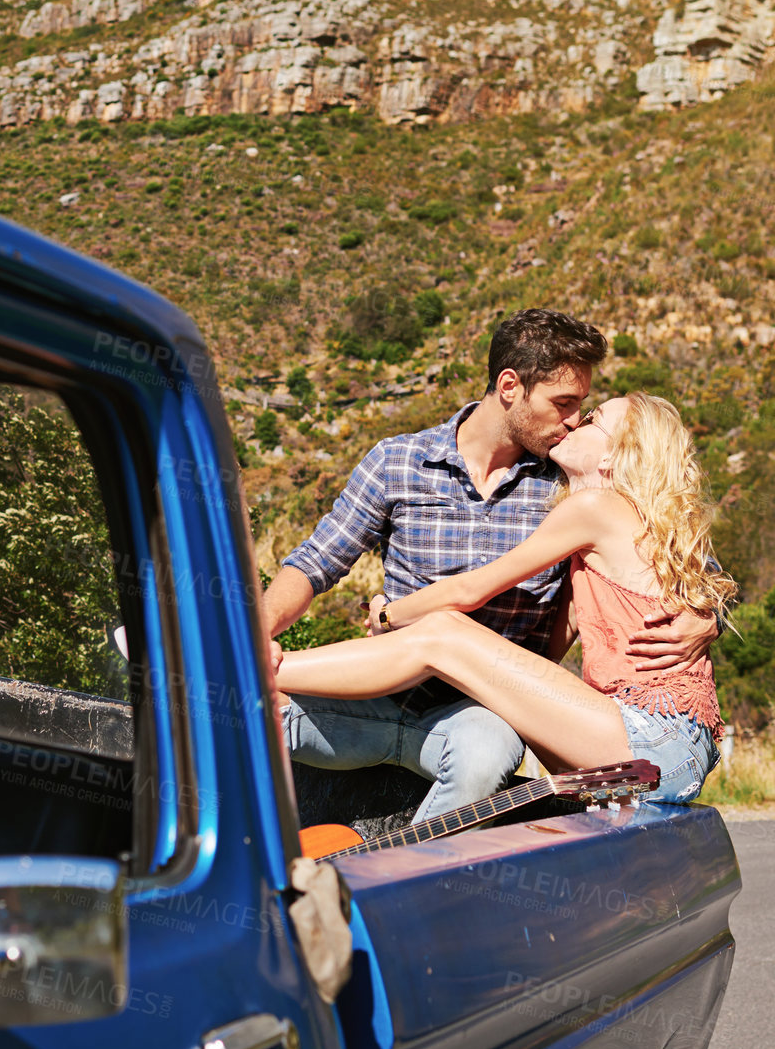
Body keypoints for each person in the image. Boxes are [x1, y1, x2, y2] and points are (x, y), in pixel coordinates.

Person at [262, 309, 720, 821]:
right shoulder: (399, 461)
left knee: (456, 670)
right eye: (564, 404)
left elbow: (689, 560)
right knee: (238, 715)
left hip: (501, 717)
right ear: (509, 386)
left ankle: (420, 886)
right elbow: (313, 563)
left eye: (586, 412)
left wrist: (709, 616)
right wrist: (254, 634)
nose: (574, 421)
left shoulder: (570, 488)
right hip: (385, 692)